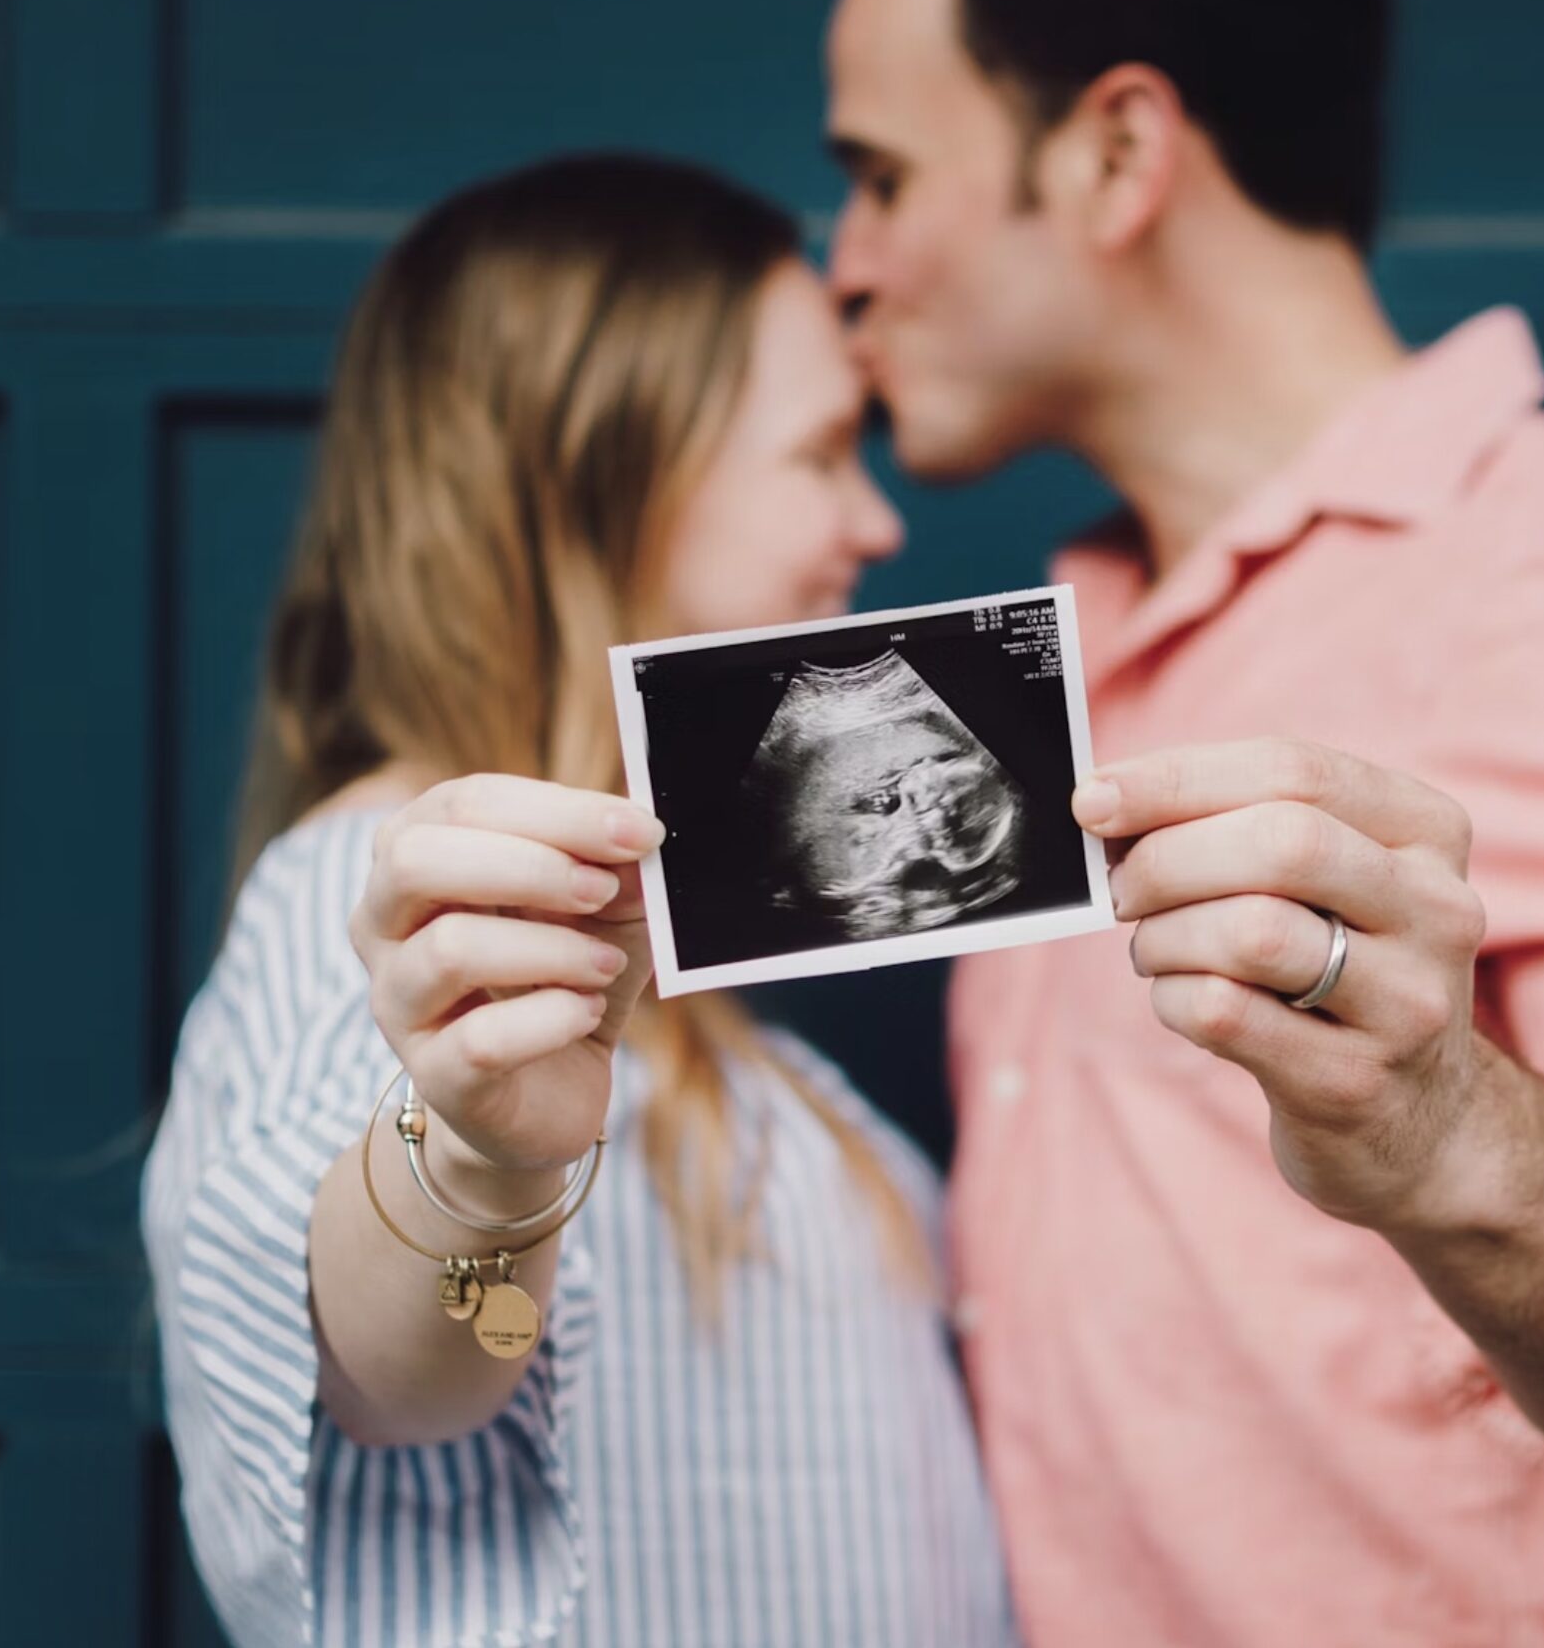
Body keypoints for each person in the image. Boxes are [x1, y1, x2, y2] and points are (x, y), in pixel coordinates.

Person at [820, 0, 1544, 1642]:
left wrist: (1441, 1128)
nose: (842, 268)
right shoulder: (1062, 653)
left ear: (1117, 156)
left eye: (882, 178)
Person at [140, 154, 1015, 1648]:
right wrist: (481, 1166)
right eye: (817, 455)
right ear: (597, 484)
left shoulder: (681, 997)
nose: (874, 526)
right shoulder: (386, 913)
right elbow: (392, 1371)